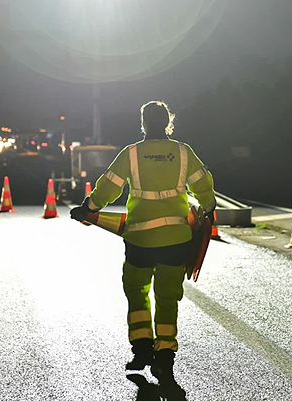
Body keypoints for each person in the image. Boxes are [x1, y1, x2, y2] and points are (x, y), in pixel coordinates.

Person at [70, 101, 216, 389]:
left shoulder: (131, 154)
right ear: (167, 123)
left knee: (137, 292)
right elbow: (204, 185)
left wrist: (88, 207)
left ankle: (141, 348)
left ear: (144, 123)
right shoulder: (183, 153)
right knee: (167, 296)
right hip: (176, 239)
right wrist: (209, 208)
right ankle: (165, 354)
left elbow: (107, 188)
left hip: (139, 240)